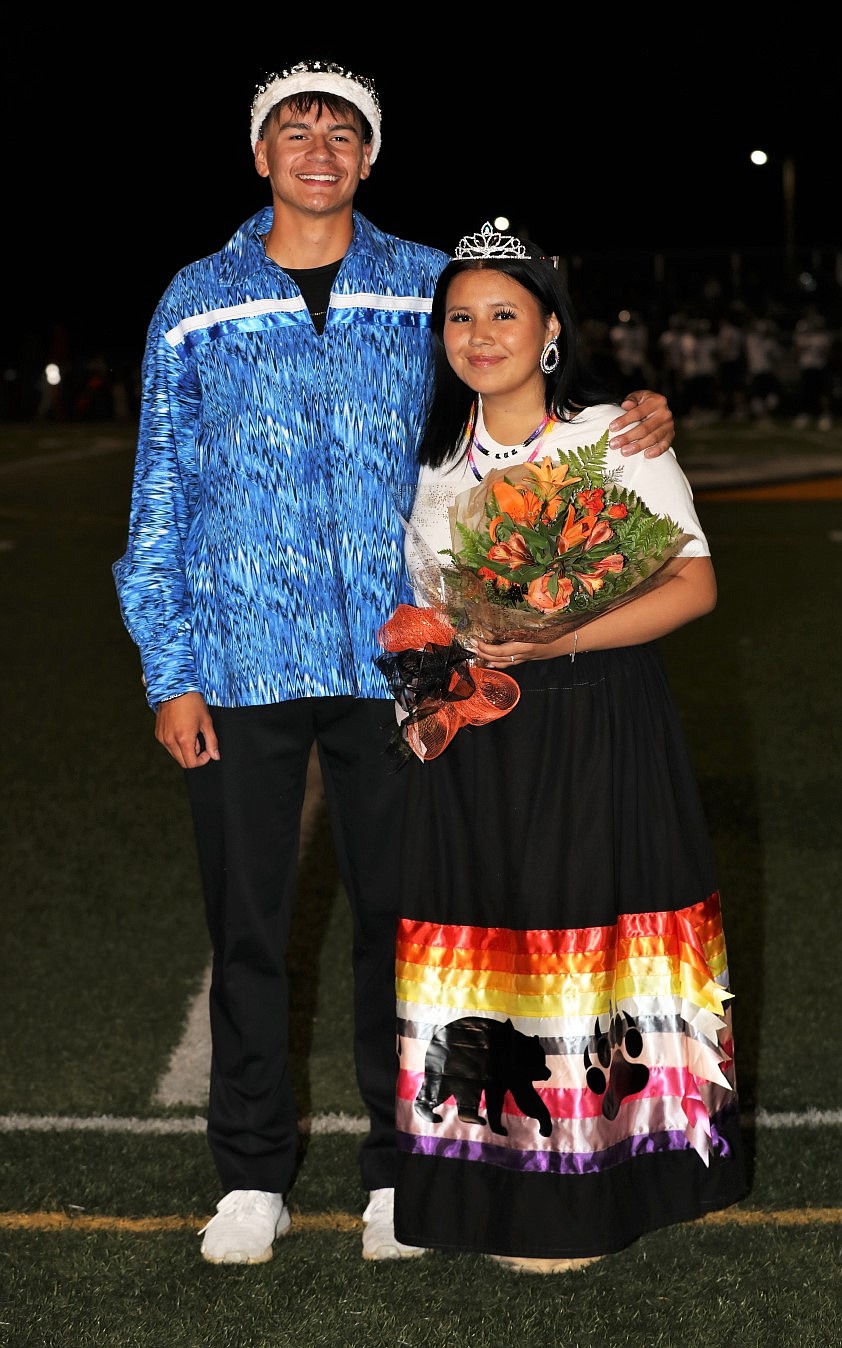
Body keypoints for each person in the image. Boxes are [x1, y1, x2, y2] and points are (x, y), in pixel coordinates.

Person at [112, 60, 676, 1268]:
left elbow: (520, 377)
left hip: (404, 663)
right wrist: (170, 668)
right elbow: (158, 489)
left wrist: (631, 419)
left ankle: (396, 1168)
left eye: (341, 130)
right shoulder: (195, 296)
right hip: (240, 654)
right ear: (259, 154)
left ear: (368, 156)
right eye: (293, 128)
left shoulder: (424, 283)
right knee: (249, 924)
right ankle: (251, 1175)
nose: (318, 145)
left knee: (404, 923)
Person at [390, 226, 747, 1272]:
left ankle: (595, 1195)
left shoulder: (613, 433)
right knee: (491, 942)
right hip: (480, 735)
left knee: (584, 942)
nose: (479, 334)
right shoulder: (430, 459)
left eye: (504, 312)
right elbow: (423, 604)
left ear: (549, 330)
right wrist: (430, 675)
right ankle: (499, 1186)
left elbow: (691, 584)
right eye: (459, 316)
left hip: (597, 719)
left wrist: (562, 631)